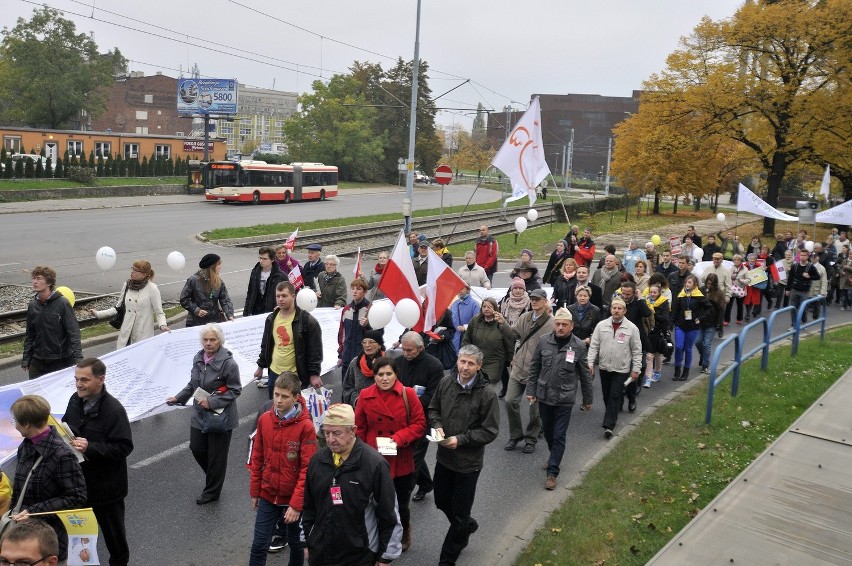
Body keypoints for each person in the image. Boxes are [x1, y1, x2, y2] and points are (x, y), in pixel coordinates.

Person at [302, 404, 402, 566]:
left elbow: (389, 513)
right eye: (326, 433)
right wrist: (306, 540)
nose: (330, 439)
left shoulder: (374, 464)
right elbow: (308, 506)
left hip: (359, 555)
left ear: (353, 431)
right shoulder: (317, 460)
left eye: (337, 433)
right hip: (321, 553)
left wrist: (385, 556)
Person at [428, 345, 499, 566]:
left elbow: (489, 430)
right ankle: (467, 525)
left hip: (468, 465)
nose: (465, 367)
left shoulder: (487, 394)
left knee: (459, 513)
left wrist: (461, 440)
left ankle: (447, 559)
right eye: (462, 361)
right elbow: (433, 409)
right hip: (444, 459)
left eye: (470, 363)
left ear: (479, 366)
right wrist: (438, 427)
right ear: (457, 361)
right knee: (440, 501)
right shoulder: (446, 382)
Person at [62, 358, 133, 566]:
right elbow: (68, 425)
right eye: (76, 379)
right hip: (80, 486)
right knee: (81, 540)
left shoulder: (114, 410)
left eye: (84, 380)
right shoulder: (75, 399)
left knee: (114, 540)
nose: (78, 384)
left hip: (107, 490)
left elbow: (124, 447)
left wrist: (90, 447)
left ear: (101, 379)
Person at [355, 357, 426, 553]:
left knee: (401, 503)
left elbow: (419, 424)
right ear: (374, 376)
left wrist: (398, 438)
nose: (384, 378)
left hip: (400, 459)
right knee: (374, 502)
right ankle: (377, 536)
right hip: (374, 458)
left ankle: (404, 531)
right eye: (380, 374)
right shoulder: (364, 395)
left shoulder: (408, 394)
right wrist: (361, 453)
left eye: (389, 374)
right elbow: (359, 428)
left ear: (396, 375)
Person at [166, 323, 242, 504]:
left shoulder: (229, 364)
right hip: (200, 413)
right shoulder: (198, 358)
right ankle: (215, 478)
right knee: (197, 448)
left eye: (212, 340)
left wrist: (212, 402)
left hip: (220, 416)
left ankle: (212, 492)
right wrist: (179, 398)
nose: (208, 343)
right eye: (205, 340)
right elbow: (193, 384)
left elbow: (235, 390)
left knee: (216, 456)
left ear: (219, 341)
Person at [248, 372, 316, 566]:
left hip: (291, 499)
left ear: (296, 398)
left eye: (284, 396)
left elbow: (307, 470)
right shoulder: (265, 420)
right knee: (259, 545)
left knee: (296, 544)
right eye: (276, 394)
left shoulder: (306, 427)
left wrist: (296, 505)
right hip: (268, 495)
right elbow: (257, 457)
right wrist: (255, 491)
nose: (278, 400)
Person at [9, 395, 87, 562]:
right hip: (25, 535)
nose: (15, 426)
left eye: (15, 421)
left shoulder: (62, 455)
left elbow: (76, 497)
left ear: (27, 424)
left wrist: (33, 512)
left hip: (49, 539)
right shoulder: (27, 444)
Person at [526, 308, 593, 490]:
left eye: (565, 324)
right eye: (558, 324)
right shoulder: (543, 342)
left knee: (559, 435)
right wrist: (531, 390)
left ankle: (553, 472)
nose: (561, 327)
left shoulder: (578, 345)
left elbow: (585, 375)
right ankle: (553, 456)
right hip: (544, 395)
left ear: (572, 326)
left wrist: (588, 399)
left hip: (565, 397)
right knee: (547, 432)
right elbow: (534, 367)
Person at [396, 332, 445, 504]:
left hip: (422, 421)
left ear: (421, 348)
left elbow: (434, 397)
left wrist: (408, 403)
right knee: (407, 454)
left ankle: (402, 499)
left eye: (410, 350)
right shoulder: (398, 362)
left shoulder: (434, 366)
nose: (406, 354)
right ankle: (425, 483)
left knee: (410, 461)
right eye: (404, 350)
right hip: (400, 420)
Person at [504, 289, 553, 455]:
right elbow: (514, 334)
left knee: (535, 410)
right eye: (532, 298)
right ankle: (516, 435)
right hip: (518, 367)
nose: (534, 301)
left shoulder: (552, 323)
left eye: (538, 299)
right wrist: (502, 323)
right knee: (510, 401)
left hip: (537, 373)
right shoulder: (525, 317)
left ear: (545, 301)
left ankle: (531, 439)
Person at [255, 281, 324, 395]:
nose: (280, 299)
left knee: (296, 410)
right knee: (275, 408)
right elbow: (266, 344)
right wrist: (260, 367)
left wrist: (314, 374)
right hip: (274, 374)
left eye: (284, 296)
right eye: (278, 296)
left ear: (293, 297)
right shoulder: (271, 319)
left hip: (296, 375)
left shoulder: (307, 321)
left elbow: (315, 351)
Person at [587, 298, 642, 438]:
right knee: (606, 395)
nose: (616, 311)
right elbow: (594, 346)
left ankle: (609, 425)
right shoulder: (602, 325)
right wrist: (590, 362)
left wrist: (636, 369)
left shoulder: (632, 328)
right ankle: (611, 415)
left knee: (615, 394)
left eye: (619, 308)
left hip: (621, 368)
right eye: (614, 308)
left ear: (625, 311)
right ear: (610, 309)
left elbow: (636, 350)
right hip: (605, 367)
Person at [90, 260, 169, 348]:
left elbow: (159, 312)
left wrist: (162, 325)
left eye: (136, 270)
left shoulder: (152, 289)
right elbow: (118, 308)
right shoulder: (127, 285)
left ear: (144, 274)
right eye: (132, 269)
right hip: (126, 333)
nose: (132, 272)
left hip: (142, 334)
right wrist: (98, 314)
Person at [22, 266, 83, 379]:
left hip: (60, 361)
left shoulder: (62, 303)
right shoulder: (33, 305)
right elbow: (30, 335)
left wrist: (78, 358)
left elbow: (73, 332)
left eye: (39, 278)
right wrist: (26, 358)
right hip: (37, 361)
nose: (34, 282)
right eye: (34, 278)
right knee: (35, 395)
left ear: (49, 282)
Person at [461, 297, 516, 387]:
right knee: (474, 388)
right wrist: (465, 356)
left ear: (495, 308)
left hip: (494, 362)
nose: (486, 309)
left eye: (489, 307)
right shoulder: (475, 321)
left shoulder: (501, 322)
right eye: (484, 306)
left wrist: (510, 359)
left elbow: (509, 342)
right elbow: (466, 340)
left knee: (488, 390)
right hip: (476, 361)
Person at [620, 282, 653, 413]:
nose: (625, 296)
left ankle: (632, 398)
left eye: (628, 294)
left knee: (635, 370)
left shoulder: (638, 303)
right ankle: (619, 401)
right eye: (623, 293)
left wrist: (640, 299)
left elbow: (647, 313)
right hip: (621, 341)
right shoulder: (618, 303)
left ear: (634, 293)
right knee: (621, 372)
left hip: (637, 340)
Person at [180, 254, 235, 327]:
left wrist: (229, 314)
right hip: (196, 322)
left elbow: (225, 299)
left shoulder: (219, 281)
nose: (220, 267)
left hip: (215, 321)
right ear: (212, 267)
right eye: (218, 264)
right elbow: (184, 299)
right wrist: (197, 310)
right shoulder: (193, 280)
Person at [671, 275, 707, 381]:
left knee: (688, 349)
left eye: (690, 282)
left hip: (693, 326)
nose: (687, 284)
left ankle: (686, 371)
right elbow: (675, 311)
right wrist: (670, 324)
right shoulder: (681, 295)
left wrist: (700, 318)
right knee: (679, 347)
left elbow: (709, 309)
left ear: (695, 284)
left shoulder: (699, 296)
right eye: (686, 282)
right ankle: (677, 369)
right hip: (680, 325)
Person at [342, 329, 386, 407]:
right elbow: (347, 387)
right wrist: (357, 399)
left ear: (379, 345)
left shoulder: (387, 363)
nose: (367, 345)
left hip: (382, 406)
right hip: (360, 408)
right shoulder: (355, 363)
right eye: (364, 342)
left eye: (371, 342)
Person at [338, 278, 374, 370]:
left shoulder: (370, 309)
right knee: (346, 384)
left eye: (358, 289)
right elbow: (342, 333)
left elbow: (377, 334)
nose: (354, 292)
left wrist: (368, 325)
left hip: (363, 357)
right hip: (347, 356)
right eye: (353, 288)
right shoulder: (346, 309)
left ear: (365, 292)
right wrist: (340, 354)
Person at [243, 247, 287, 317]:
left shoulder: (280, 276)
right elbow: (250, 293)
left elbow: (287, 296)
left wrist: (280, 307)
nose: (261, 261)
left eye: (265, 259)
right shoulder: (255, 272)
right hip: (255, 311)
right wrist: (246, 313)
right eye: (260, 258)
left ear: (272, 259)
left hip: (271, 312)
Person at [643, 283, 670, 387]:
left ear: (659, 293)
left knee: (658, 354)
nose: (652, 294)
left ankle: (657, 371)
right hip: (649, 331)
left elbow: (665, 318)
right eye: (651, 292)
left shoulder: (664, 302)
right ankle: (648, 378)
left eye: (655, 292)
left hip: (659, 331)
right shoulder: (646, 302)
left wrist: (654, 314)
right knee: (649, 356)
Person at [697, 274, 725, 373]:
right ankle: (703, 355)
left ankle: (705, 364)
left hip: (712, 323)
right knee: (698, 341)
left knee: (707, 343)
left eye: (711, 284)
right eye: (708, 283)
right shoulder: (701, 290)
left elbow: (721, 310)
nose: (709, 286)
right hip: (701, 321)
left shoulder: (719, 294)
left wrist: (719, 325)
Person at [450, 286, 480, 352]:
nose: (459, 291)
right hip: (455, 339)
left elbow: (478, 322)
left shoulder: (474, 304)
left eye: (462, 288)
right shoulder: (454, 304)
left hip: (467, 338)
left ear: (468, 290)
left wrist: (465, 327)